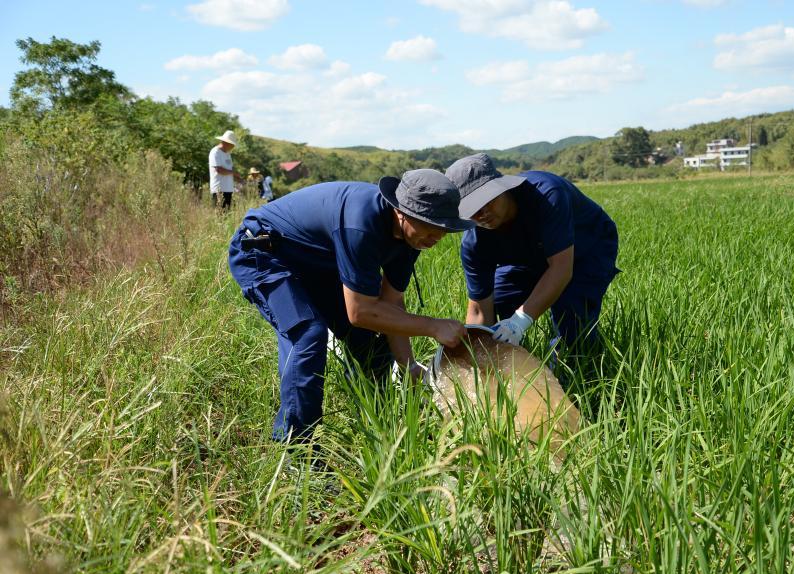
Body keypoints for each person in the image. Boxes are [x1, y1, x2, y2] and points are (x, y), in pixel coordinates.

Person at [227, 170, 473, 443]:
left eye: (444, 227)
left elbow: (391, 305)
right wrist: (432, 326)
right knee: (308, 334)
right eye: (430, 225)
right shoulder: (362, 224)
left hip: (318, 263)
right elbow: (360, 312)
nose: (437, 235)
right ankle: (297, 451)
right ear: (403, 212)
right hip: (264, 252)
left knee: (371, 339)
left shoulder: (413, 239)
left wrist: (408, 365)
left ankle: (382, 427)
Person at [445, 153, 619, 356]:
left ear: (502, 188)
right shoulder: (474, 242)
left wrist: (520, 321)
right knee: (498, 302)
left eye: (487, 200)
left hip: (586, 248)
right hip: (528, 255)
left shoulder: (547, 195)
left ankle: (571, 358)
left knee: (573, 325)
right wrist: (476, 355)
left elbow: (561, 269)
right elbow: (479, 310)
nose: (481, 213)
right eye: (471, 209)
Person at [210, 130, 239, 211]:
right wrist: (233, 173)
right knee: (219, 216)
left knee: (226, 215)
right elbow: (219, 170)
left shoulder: (227, 154)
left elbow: (230, 169)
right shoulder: (215, 152)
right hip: (219, 190)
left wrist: (238, 177)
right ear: (226, 142)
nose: (233, 147)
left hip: (228, 189)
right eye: (232, 144)